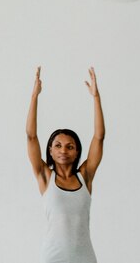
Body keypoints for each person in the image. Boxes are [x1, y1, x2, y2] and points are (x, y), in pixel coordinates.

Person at [26, 66, 105, 263]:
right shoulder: (45, 176)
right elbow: (31, 136)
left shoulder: (85, 176)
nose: (63, 150)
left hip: (85, 257)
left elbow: (99, 137)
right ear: (50, 151)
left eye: (70, 146)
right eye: (58, 145)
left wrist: (96, 97)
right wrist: (34, 96)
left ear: (77, 151)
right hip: (53, 257)